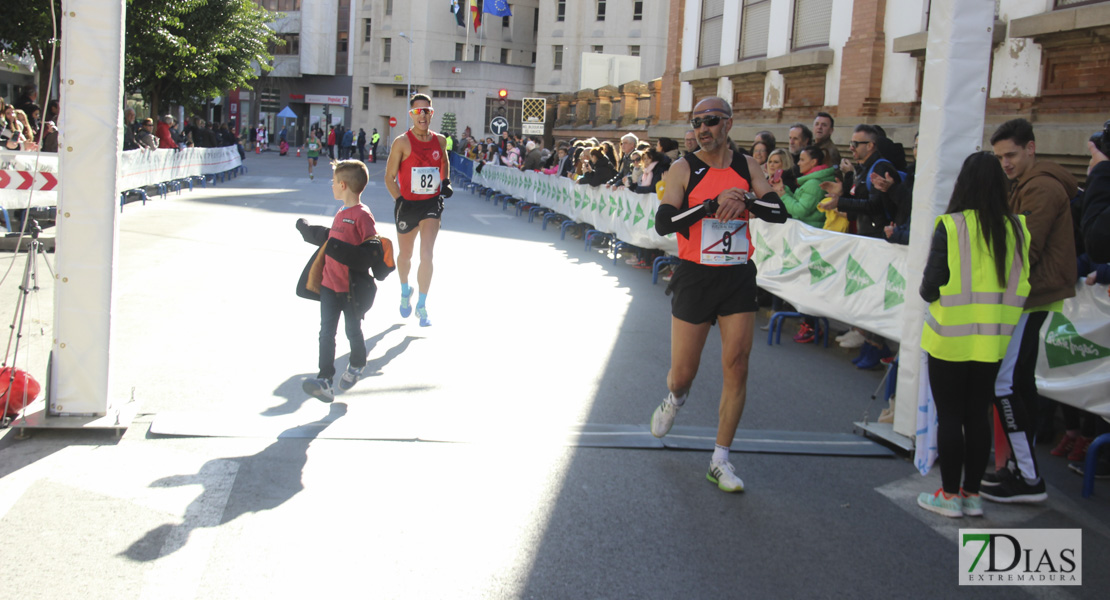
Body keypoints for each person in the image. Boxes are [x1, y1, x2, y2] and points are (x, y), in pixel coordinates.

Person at [649, 96, 787, 493]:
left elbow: (779, 212)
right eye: (696, 122)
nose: (702, 129)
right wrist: (709, 204)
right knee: (683, 375)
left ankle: (720, 459)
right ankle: (673, 400)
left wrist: (746, 198)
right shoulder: (683, 167)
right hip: (696, 277)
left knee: (738, 364)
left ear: (728, 124)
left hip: (737, 276)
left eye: (710, 121)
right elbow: (664, 224)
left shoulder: (747, 166)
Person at [916, 151, 1032, 518]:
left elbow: (929, 287)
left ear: (963, 183)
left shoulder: (951, 225)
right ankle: (972, 494)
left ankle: (949, 496)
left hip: (949, 337)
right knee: (977, 416)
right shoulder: (1017, 228)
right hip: (993, 340)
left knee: (950, 416)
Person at [980, 118, 1077, 504]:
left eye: (1012, 155)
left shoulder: (1040, 188)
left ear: (1032, 148)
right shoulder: (1026, 184)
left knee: (1008, 384)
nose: (1005, 163)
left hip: (1029, 296)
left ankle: (1028, 476)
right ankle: (1019, 469)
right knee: (1015, 383)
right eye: (1000, 157)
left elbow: (1023, 252)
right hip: (1028, 294)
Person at [297, 160, 381, 402]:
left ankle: (356, 364)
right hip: (328, 285)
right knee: (326, 332)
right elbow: (330, 240)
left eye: (333, 182)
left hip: (350, 290)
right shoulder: (341, 212)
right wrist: (307, 230)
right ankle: (325, 379)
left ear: (343, 185)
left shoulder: (362, 216)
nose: (331, 185)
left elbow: (371, 250)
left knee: (352, 330)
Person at [385, 93, 452, 328]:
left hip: (431, 204)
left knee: (427, 255)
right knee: (405, 256)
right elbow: (389, 178)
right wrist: (399, 200)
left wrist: (446, 182)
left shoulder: (440, 141)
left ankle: (422, 305)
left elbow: (444, 162)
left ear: (431, 114)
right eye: (417, 111)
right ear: (411, 115)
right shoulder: (402, 142)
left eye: (427, 111)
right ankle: (406, 290)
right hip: (408, 205)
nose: (422, 115)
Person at [772, 144, 835, 229]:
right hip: (807, 230)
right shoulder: (812, 181)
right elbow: (796, 202)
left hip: (809, 232)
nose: (798, 163)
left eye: (802, 160)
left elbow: (800, 211)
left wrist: (783, 196)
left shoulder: (814, 184)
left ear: (813, 162)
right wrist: (782, 189)